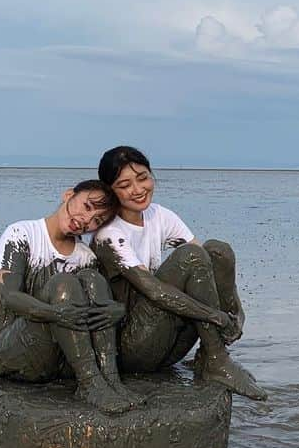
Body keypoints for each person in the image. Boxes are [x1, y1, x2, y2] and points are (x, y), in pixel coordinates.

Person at [92, 146, 266, 401]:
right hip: (131, 345)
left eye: (142, 178)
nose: (138, 190)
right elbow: (154, 290)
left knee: (218, 250)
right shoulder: (109, 234)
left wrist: (236, 313)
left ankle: (211, 355)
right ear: (110, 191)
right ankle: (217, 359)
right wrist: (215, 316)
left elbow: (209, 262)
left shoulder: (159, 215)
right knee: (190, 258)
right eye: (124, 185)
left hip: (166, 343)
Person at [0, 180, 138, 415]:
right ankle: (90, 384)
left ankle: (110, 379)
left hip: (61, 360)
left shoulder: (85, 256)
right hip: (15, 352)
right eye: (87, 207)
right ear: (68, 195)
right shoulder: (21, 234)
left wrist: (117, 310)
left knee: (93, 278)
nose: (87, 220)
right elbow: (10, 296)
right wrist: (54, 314)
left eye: (97, 221)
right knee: (64, 283)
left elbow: (95, 309)